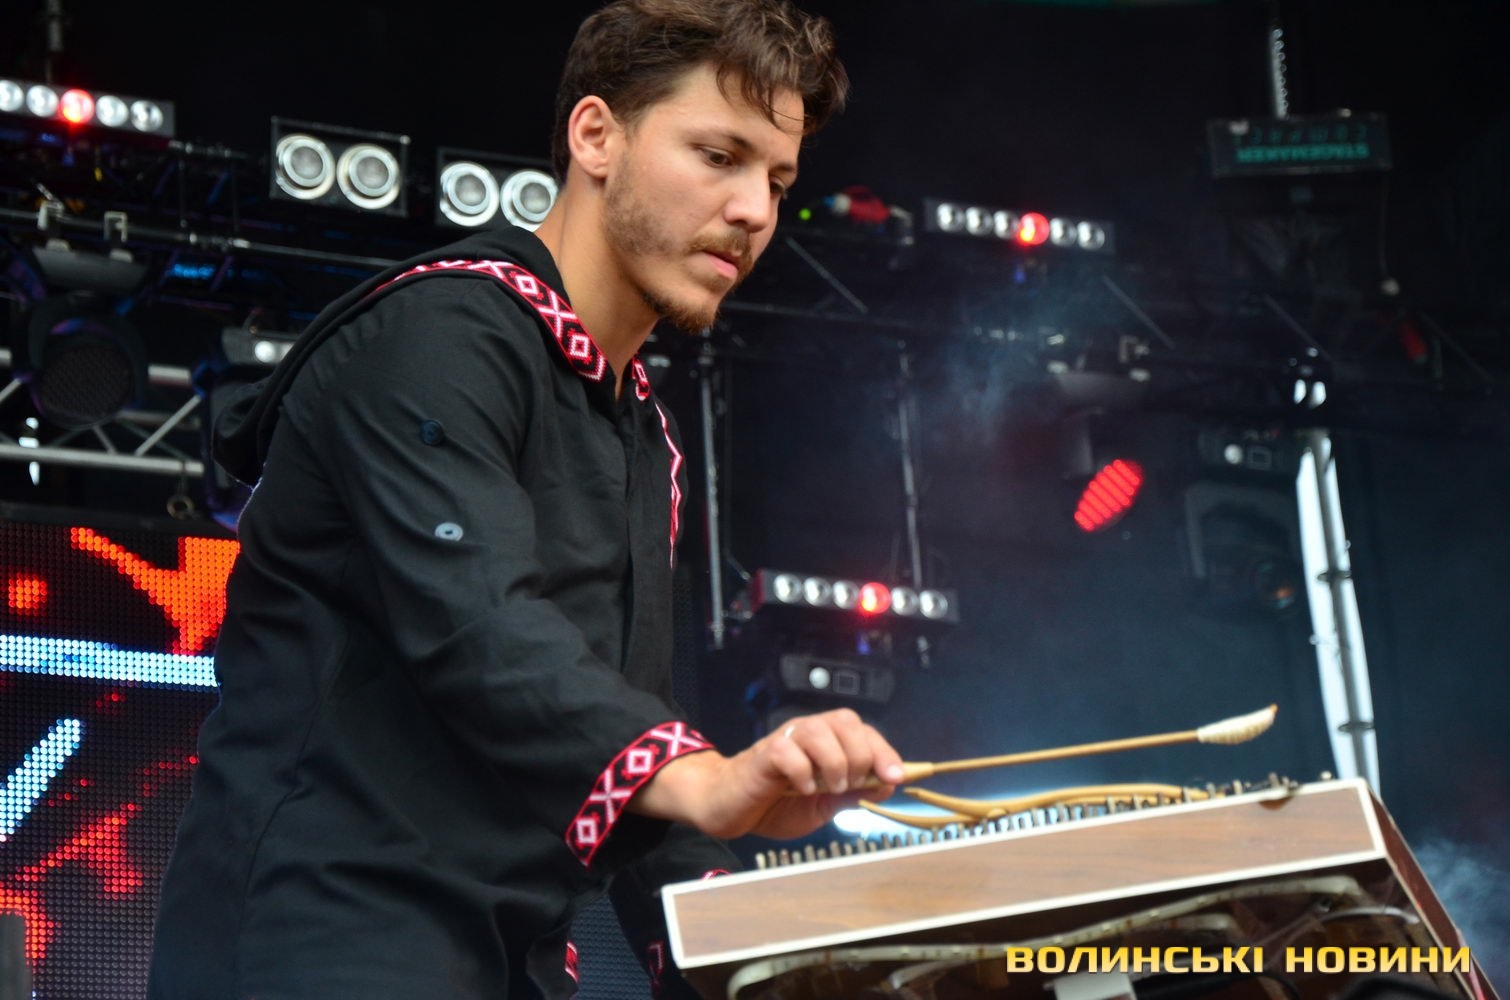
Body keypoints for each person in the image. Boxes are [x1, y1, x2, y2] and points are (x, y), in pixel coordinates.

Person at [146, 1, 904, 997]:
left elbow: (622, 716)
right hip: (321, 942)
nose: (756, 209)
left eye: (776, 179)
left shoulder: (641, 432)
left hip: (503, 963)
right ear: (596, 136)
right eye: (719, 156)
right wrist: (704, 778)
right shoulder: (437, 334)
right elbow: (479, 628)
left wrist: (763, 955)